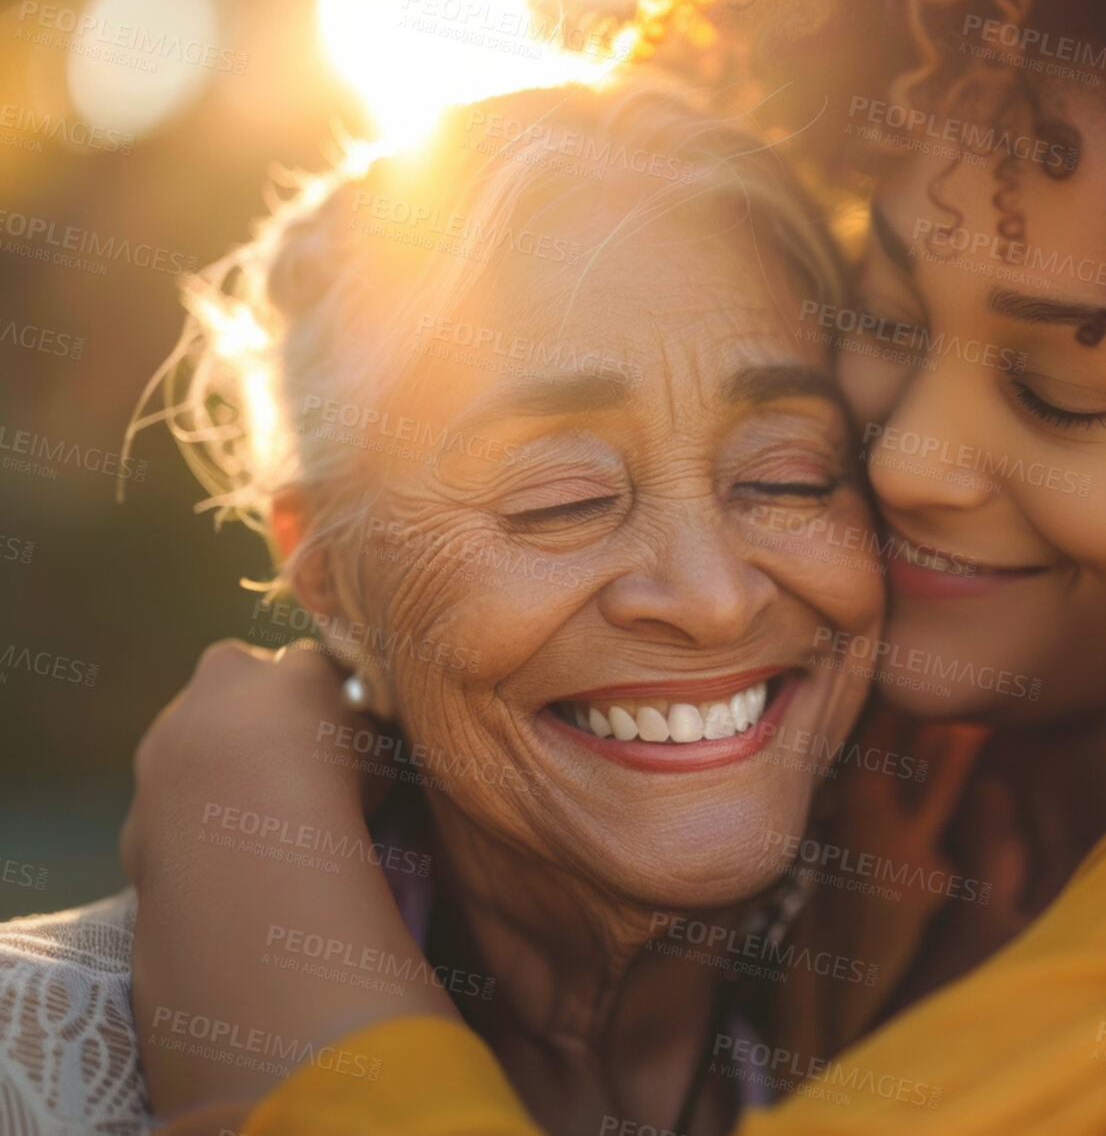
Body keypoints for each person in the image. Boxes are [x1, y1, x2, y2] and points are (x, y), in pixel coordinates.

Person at [126, 0, 1106, 1132]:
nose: (903, 457)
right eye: (886, 315)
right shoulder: (885, 756)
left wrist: (255, 850)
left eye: (1059, 389)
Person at [0, 73, 891, 1136]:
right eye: (562, 499)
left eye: (787, 476)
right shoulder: (36, 1063)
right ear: (329, 579)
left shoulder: (1011, 1034)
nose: (711, 598)